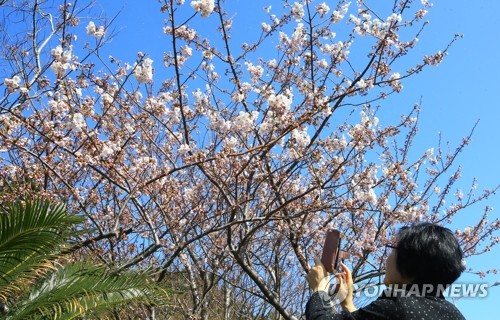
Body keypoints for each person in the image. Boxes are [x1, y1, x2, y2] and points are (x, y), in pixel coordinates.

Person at [305, 223, 466, 319]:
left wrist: (320, 289)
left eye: (393, 250)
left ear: (409, 260)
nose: (387, 258)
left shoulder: (398, 305)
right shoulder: (454, 313)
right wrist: (348, 304)